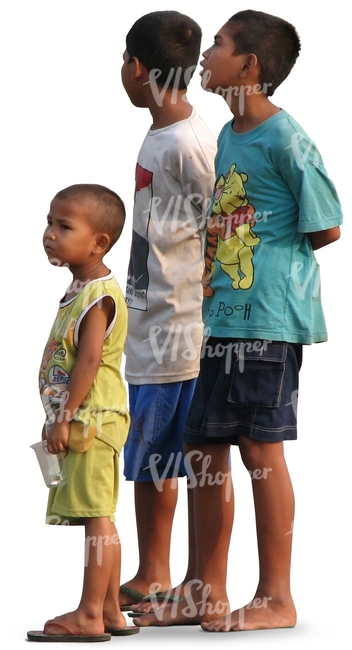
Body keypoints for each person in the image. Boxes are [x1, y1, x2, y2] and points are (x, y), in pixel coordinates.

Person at [131, 10, 343, 631]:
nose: (206, 54)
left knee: (260, 449)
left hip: (268, 321)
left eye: (219, 45)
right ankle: (204, 589)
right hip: (219, 319)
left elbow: (326, 224)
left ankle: (277, 596)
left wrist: (264, 256)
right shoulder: (226, 136)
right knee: (202, 445)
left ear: (249, 67)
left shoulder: (286, 138)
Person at [119, 10, 216, 611]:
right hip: (150, 325)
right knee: (153, 456)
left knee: (163, 458)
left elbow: (227, 227)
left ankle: (166, 575)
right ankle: (152, 572)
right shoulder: (163, 133)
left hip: (178, 332)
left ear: (136, 67)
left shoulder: (189, 143)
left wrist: (203, 305)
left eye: (122, 61)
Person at [27, 184, 139, 641]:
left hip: (92, 421)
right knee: (100, 513)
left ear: (99, 243)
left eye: (64, 226)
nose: (50, 234)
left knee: (97, 516)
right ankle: (110, 610)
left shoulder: (98, 295)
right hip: (86, 420)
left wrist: (65, 415)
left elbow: (89, 362)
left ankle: (90, 614)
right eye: (49, 223)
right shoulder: (82, 288)